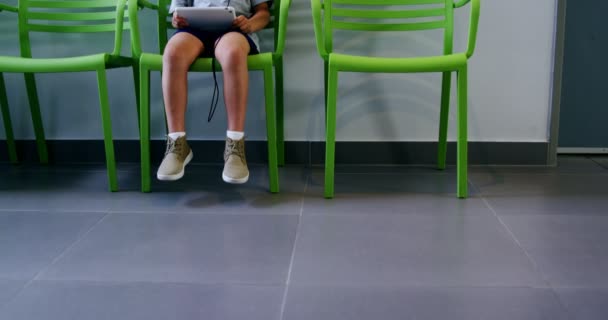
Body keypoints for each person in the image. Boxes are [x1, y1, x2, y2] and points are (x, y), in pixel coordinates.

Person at [157, 0, 272, 184]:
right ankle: (177, 144)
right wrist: (176, 20)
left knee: (233, 53)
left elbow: (263, 13)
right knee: (172, 53)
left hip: (235, 32)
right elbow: (176, 13)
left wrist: (250, 24)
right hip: (193, 31)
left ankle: (235, 146)